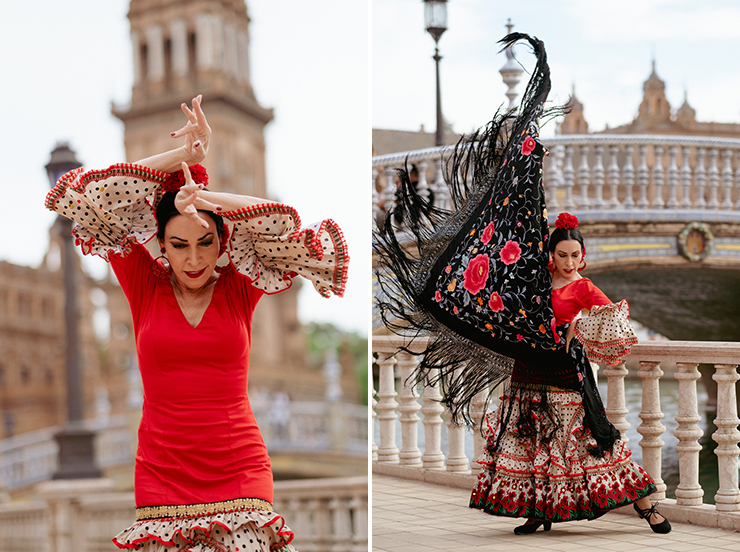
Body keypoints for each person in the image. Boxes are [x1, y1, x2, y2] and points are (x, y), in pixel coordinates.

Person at [374, 33, 670, 537]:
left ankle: (648, 507)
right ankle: (540, 509)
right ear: (551, 254)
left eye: (577, 256)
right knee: (532, 441)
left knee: (588, 441)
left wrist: (577, 326)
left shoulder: (585, 287)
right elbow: (510, 237)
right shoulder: (532, 275)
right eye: (563, 255)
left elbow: (618, 332)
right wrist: (523, 162)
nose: (571, 262)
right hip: (527, 368)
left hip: (563, 369)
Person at [45, 96, 349, 551]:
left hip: (239, 465)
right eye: (179, 243)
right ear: (161, 244)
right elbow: (85, 201)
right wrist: (181, 157)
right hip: (162, 473)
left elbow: (281, 227)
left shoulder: (240, 286)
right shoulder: (143, 285)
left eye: (205, 242)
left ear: (222, 242)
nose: (193, 258)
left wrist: (204, 197)